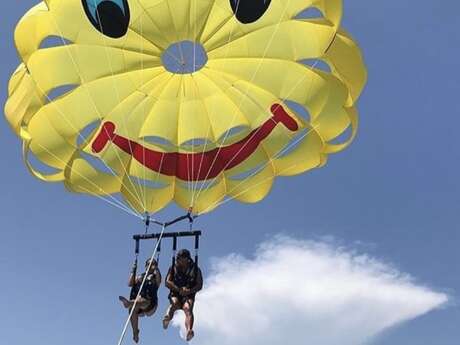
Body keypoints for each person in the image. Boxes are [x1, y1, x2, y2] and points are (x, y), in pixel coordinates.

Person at [163, 249, 203, 341]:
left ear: (188, 259)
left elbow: (199, 285)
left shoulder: (195, 269)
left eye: (183, 259)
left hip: (189, 293)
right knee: (175, 303)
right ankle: (167, 317)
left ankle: (189, 330)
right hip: (176, 292)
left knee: (187, 309)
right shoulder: (173, 267)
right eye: (180, 259)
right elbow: (167, 282)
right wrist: (178, 289)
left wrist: (189, 291)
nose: (181, 262)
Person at [119, 258, 162, 343]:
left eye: (153, 264)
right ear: (146, 266)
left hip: (150, 305)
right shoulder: (139, 277)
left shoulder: (155, 277)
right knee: (132, 308)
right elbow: (130, 284)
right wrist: (133, 271)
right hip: (139, 308)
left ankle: (129, 303)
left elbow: (159, 280)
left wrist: (156, 268)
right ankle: (135, 332)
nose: (151, 266)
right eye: (149, 264)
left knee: (141, 300)